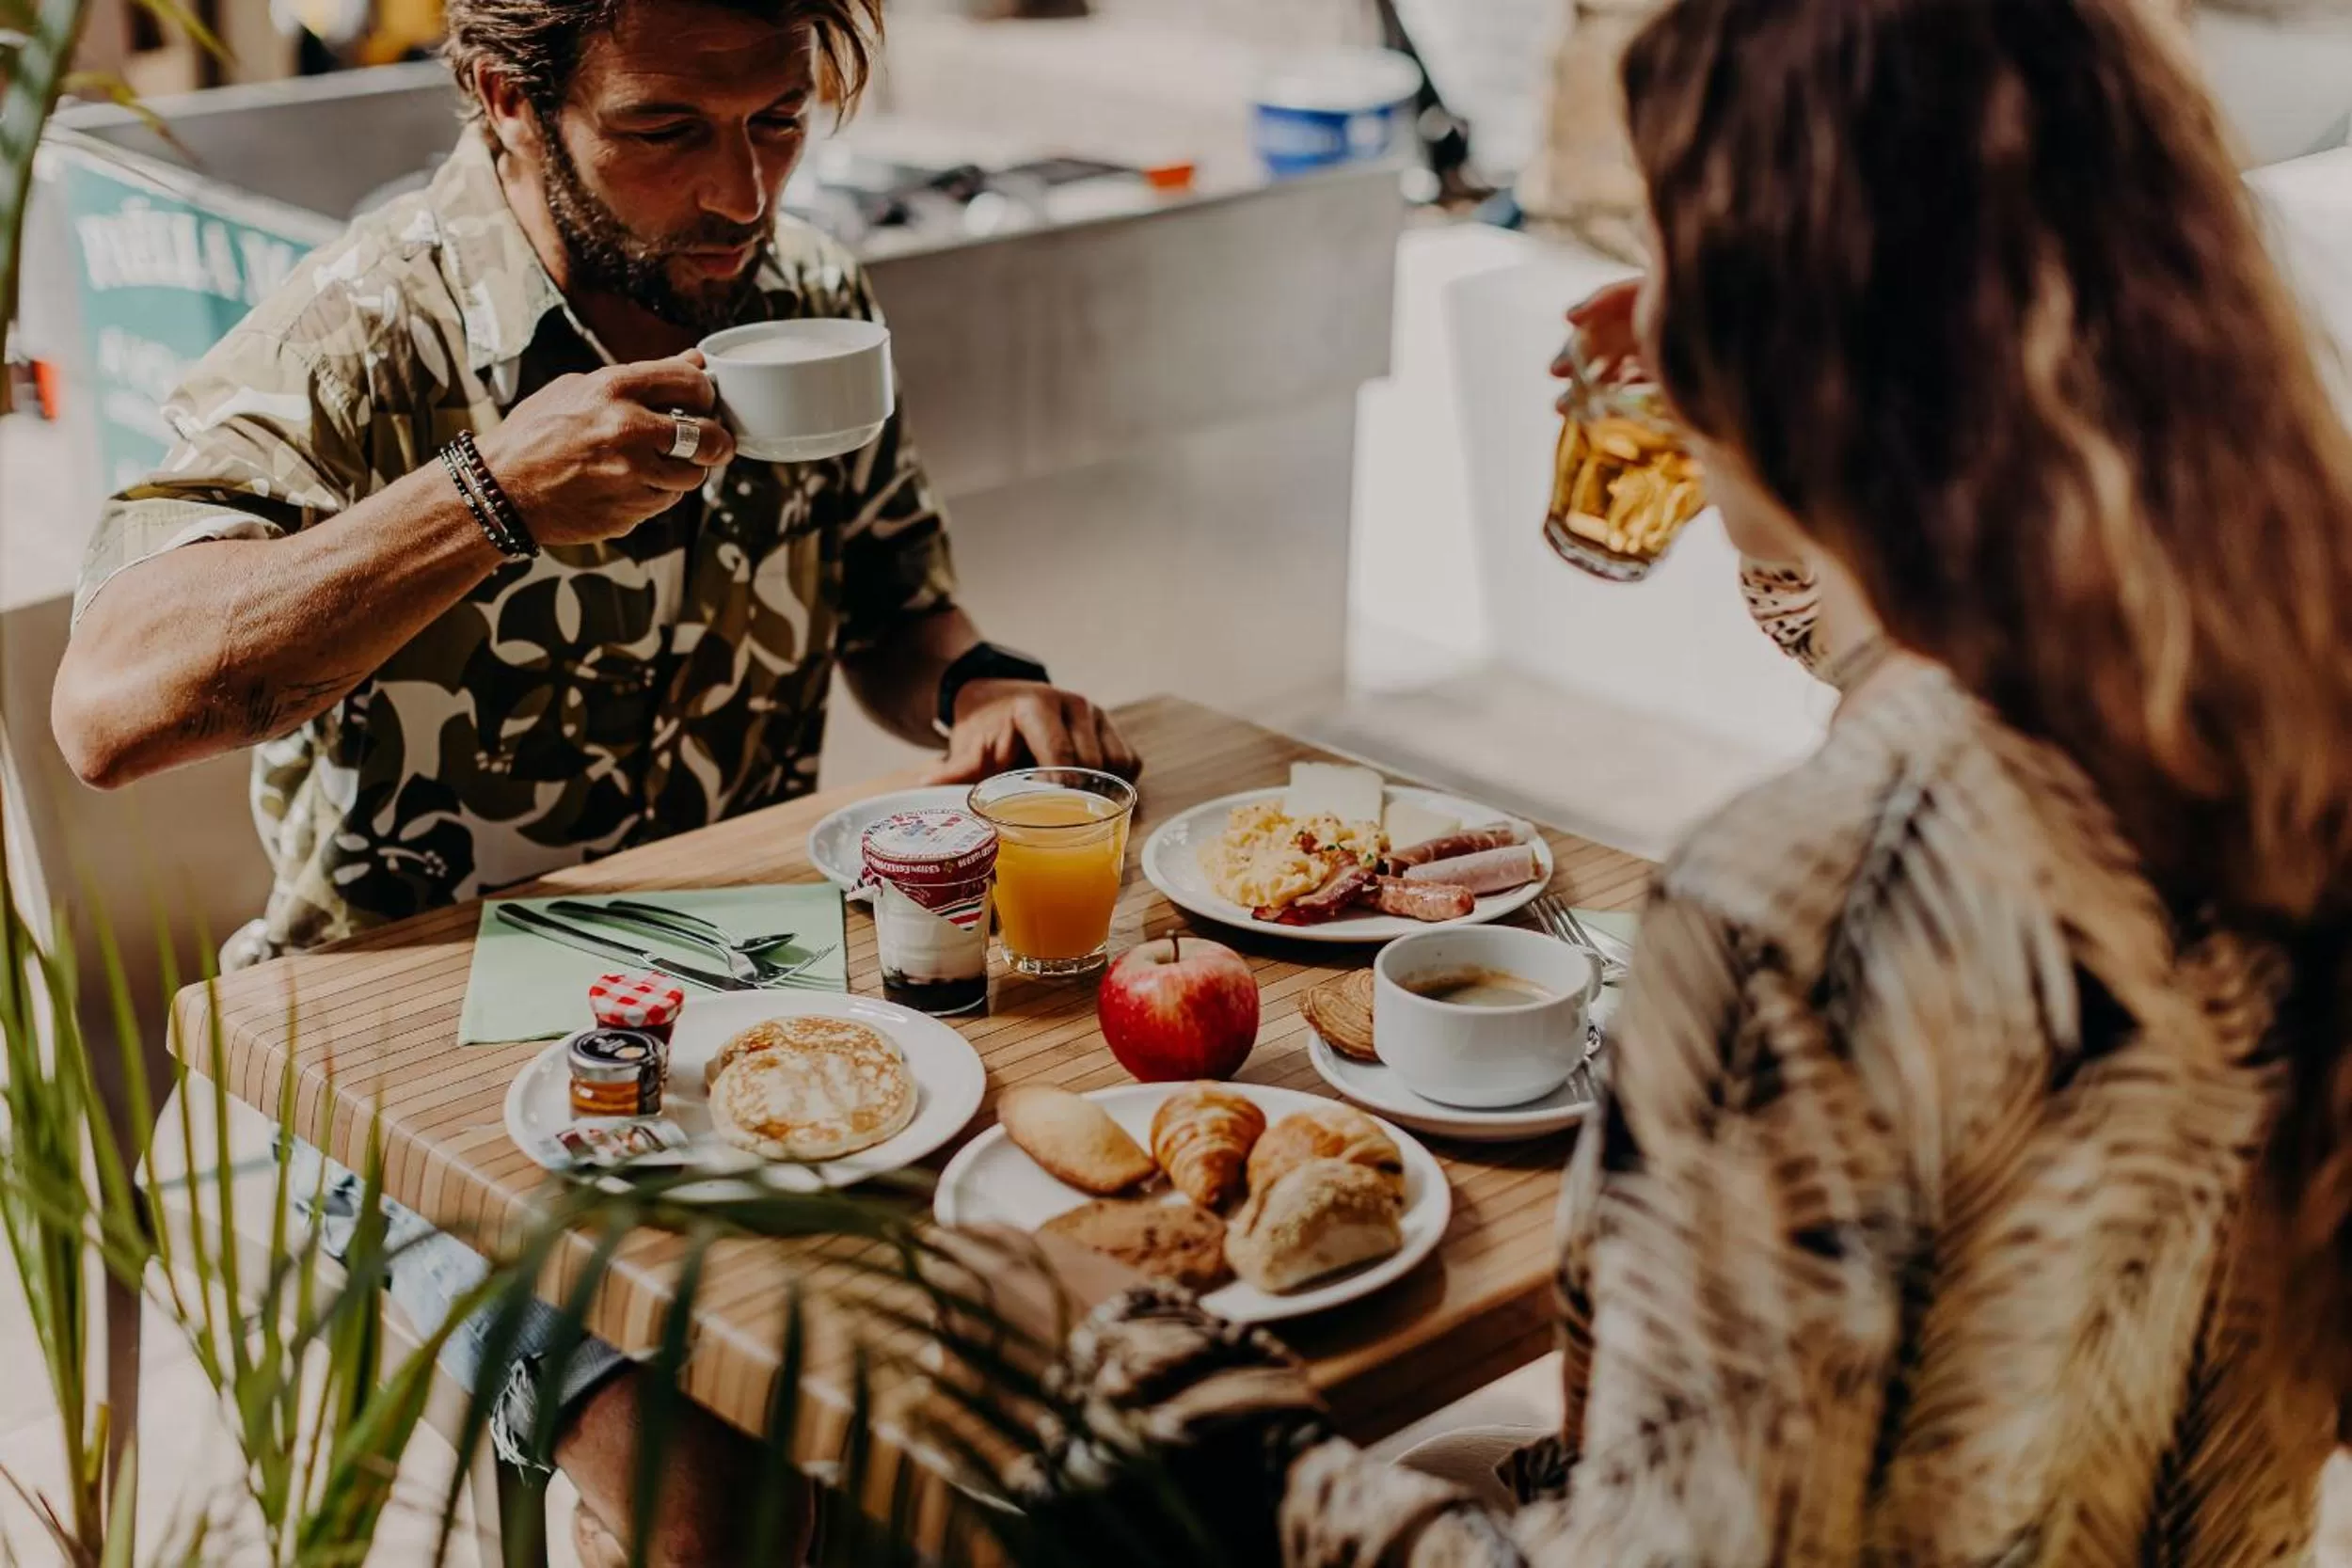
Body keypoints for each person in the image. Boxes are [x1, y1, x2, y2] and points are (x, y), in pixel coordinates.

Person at [969, 0, 2352, 1560]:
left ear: (1796, 323)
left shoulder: (1799, 900)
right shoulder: (2276, 731)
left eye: (1672, 247)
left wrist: (1156, 1383)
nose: (1644, 309)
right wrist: (1776, 460)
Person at [51, 1, 1134, 1560]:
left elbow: (892, 595)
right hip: (397, 1068)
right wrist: (487, 496)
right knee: (727, 1507)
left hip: (747, 1007)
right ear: (505, 97)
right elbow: (110, 706)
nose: (744, 197)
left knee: (1070, 1372)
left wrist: (980, 684)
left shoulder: (805, 296)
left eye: (777, 120)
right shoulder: (363, 336)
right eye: (667, 133)